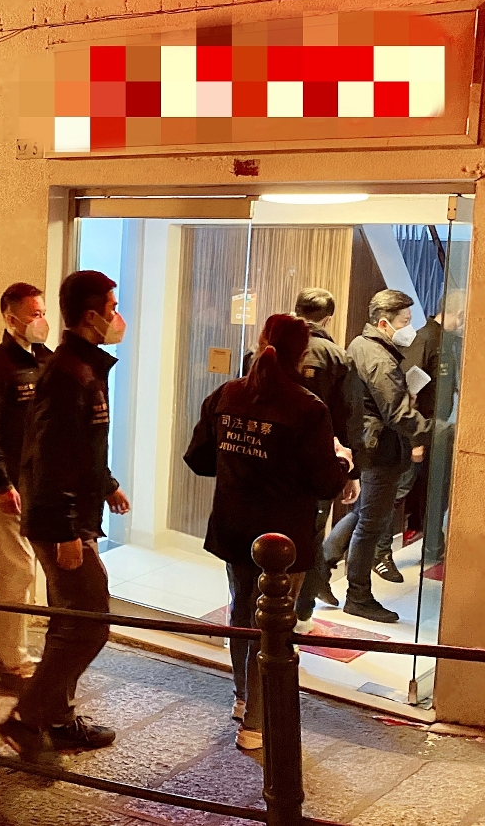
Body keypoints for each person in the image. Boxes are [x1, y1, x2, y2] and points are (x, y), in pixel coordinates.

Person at [185, 313, 350, 751]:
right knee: (274, 625)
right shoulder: (308, 408)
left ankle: (243, 698)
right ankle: (255, 724)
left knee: (241, 612)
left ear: (261, 342)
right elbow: (325, 483)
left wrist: (238, 464)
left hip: (234, 526)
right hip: (282, 539)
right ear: (303, 355)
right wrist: (344, 462)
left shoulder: (227, 394)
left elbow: (198, 459)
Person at [0, 270, 131, 764]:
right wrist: (67, 530)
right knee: (90, 623)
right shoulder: (67, 373)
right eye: (112, 308)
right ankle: (26, 719)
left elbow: (83, 447)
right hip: (60, 523)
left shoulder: (85, 367)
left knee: (70, 623)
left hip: (73, 516)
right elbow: (49, 458)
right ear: (92, 316)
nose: (118, 317)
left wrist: (107, 484)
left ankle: (57, 719)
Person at [0, 282, 53, 681]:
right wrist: (2, 484)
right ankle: (9, 652)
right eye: (34, 314)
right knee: (19, 566)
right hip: (5, 486)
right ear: (11, 318)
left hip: (37, 483)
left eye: (43, 313)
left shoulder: (46, 361)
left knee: (17, 567)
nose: (41, 321)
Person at [337, 291, 431, 623]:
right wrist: (434, 430)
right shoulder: (379, 358)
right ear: (383, 323)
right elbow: (397, 413)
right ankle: (358, 596)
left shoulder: (361, 345)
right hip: (381, 449)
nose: (409, 328)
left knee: (363, 514)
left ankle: (323, 566)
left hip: (370, 443)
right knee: (371, 524)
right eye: (405, 321)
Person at [282, 289, 361, 633]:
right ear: (328, 318)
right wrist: (351, 472)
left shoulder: (269, 348)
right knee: (311, 535)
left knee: (272, 529)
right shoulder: (336, 356)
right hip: (317, 462)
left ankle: (266, 605)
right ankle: (301, 613)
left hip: (272, 461)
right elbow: (347, 418)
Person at [401, 291, 466, 565]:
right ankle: (377, 553)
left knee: (436, 490)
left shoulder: (447, 341)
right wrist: (415, 439)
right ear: (460, 313)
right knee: (401, 491)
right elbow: (408, 389)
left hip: (437, 430)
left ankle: (433, 546)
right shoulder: (426, 339)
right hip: (422, 430)